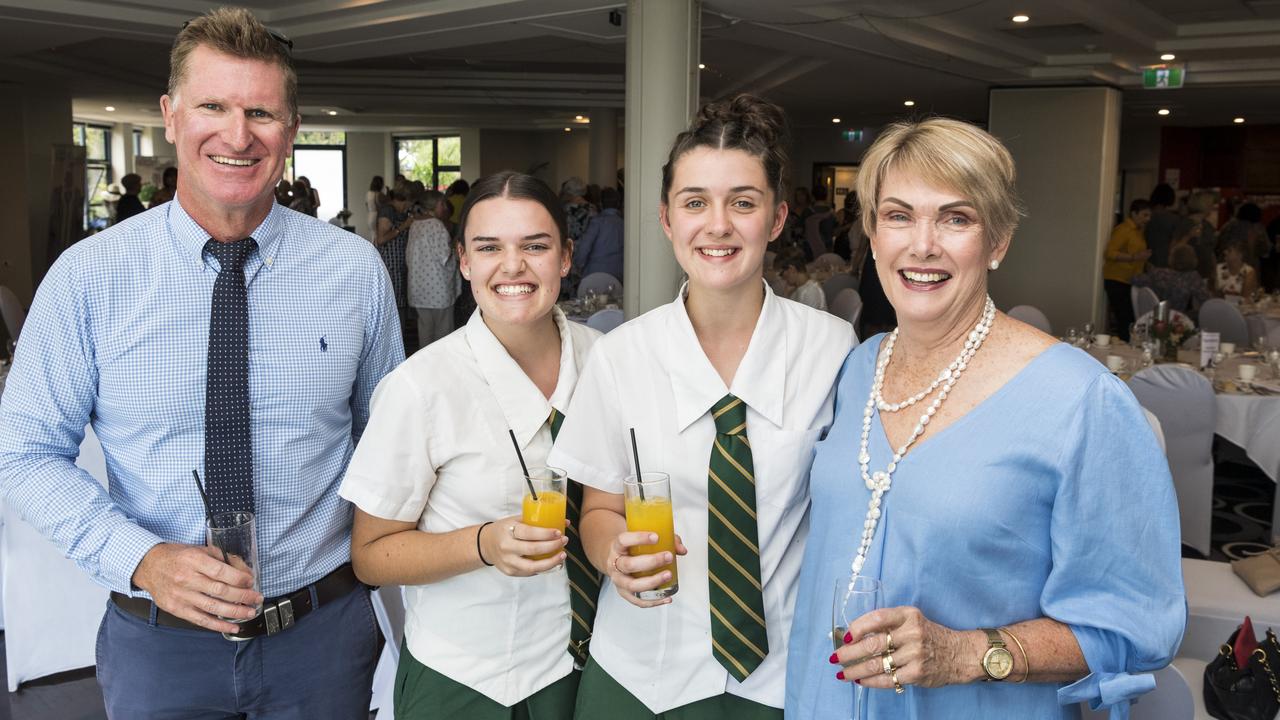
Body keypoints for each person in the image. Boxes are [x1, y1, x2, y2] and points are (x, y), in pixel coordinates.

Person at [0, 7, 403, 718]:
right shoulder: (89, 277)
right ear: (171, 115)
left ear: (292, 129)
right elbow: (23, 452)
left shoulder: (353, 271)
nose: (237, 134)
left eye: (261, 112)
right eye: (213, 106)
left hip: (323, 637)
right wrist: (142, 559)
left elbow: (391, 445)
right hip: (158, 644)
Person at [787, 117, 1184, 719]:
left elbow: (1134, 625)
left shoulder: (1082, 401)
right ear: (870, 234)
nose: (922, 244)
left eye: (956, 218)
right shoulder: (856, 369)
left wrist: (970, 653)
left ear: (997, 241)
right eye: (898, 216)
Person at [548, 94, 855, 719]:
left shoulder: (832, 348)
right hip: (642, 670)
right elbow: (599, 508)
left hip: (779, 675)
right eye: (695, 203)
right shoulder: (621, 356)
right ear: (667, 219)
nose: (718, 225)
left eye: (743, 202)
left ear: (776, 219)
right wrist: (614, 552)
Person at [341, 171, 600, 718]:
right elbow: (370, 557)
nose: (513, 266)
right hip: (472, 683)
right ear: (463, 262)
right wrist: (482, 544)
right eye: (489, 248)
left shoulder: (609, 361)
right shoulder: (421, 386)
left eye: (535, 246)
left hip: (599, 667)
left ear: (566, 256)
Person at [406, 190, 461, 348]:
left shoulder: (415, 224)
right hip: (438, 288)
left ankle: (426, 366)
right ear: (437, 205)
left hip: (419, 287)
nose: (444, 207)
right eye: (443, 204)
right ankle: (442, 368)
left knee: (424, 329)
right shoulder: (437, 225)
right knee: (444, 332)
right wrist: (454, 246)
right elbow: (444, 257)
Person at [1102, 199, 1152, 342]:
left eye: (1149, 216)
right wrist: (1134, 257)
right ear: (1134, 213)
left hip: (1131, 281)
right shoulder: (1123, 230)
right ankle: (1123, 349)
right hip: (1118, 280)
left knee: (1129, 319)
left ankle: (1126, 347)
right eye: (1145, 215)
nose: (1148, 219)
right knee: (1125, 319)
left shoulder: (1138, 232)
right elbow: (1110, 253)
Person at [375, 187, 414, 352]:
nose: (408, 207)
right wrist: (403, 226)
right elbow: (381, 239)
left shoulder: (397, 211)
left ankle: (399, 342)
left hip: (399, 264)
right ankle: (394, 346)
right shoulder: (387, 211)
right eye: (408, 204)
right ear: (402, 200)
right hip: (390, 264)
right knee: (395, 305)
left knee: (401, 303)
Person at [1132, 244, 1211, 315]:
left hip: (1152, 316)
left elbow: (1135, 280)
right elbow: (1206, 300)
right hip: (1177, 320)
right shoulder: (1193, 277)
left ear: (1172, 258)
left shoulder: (1159, 273)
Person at [574, 186, 624, 282]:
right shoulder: (623, 224)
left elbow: (585, 246)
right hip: (618, 274)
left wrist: (578, 264)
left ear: (601, 203)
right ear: (618, 203)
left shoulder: (597, 222)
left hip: (595, 273)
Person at [1144, 183, 1178, 268]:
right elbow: (1174, 243)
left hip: (1146, 257)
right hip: (1165, 259)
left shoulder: (1145, 215)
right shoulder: (1173, 219)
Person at [562, 177, 597, 244]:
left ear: (568, 191)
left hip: (570, 246)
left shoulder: (565, 208)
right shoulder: (592, 208)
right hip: (588, 245)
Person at [367, 175, 385, 239]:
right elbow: (383, 206)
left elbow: (366, 205)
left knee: (372, 235)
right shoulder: (379, 194)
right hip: (377, 215)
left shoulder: (369, 193)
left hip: (370, 215)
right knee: (377, 236)